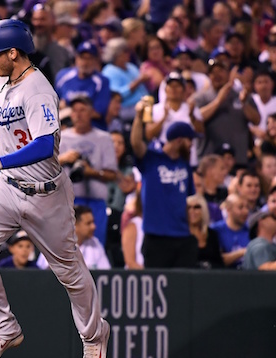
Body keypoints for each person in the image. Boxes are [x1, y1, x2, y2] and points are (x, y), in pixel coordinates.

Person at [0, 19, 109, 358]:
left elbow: (45, 144)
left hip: (46, 194)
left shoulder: (37, 89)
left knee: (69, 272)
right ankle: (4, 328)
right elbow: (0, 124)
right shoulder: (4, 80)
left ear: (13, 53)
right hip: (8, 188)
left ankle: (94, 335)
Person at [130, 101, 199, 268]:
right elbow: (136, 143)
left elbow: (188, 199)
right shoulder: (152, 158)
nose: (191, 145)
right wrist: (139, 117)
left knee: (183, 289)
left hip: (182, 235)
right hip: (156, 236)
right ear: (178, 140)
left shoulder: (185, 165)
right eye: (189, 141)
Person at [58, 97, 118, 246]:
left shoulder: (103, 138)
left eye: (83, 110)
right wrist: (63, 159)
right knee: (65, 248)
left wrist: (91, 172)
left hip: (95, 203)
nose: (78, 115)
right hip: (69, 202)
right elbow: (46, 169)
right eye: (75, 111)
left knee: (95, 246)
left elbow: (112, 174)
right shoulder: (62, 138)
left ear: (91, 113)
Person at [55, 41, 111, 131]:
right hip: (65, 126)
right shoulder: (63, 76)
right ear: (76, 58)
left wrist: (69, 110)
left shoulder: (102, 81)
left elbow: (98, 112)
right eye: (82, 58)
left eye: (89, 58)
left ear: (96, 60)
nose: (85, 62)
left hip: (93, 128)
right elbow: (55, 104)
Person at [211, 193, 250, 269]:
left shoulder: (250, 230)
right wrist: (242, 252)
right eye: (240, 207)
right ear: (228, 209)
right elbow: (217, 260)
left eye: (247, 207)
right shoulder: (215, 230)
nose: (245, 211)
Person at [187, 194, 224, 269]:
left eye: (196, 207)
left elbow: (219, 261)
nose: (192, 211)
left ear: (203, 210)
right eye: (188, 208)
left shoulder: (212, 234)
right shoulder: (181, 235)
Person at [74, 205, 111, 270]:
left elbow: (105, 272)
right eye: (88, 223)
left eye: (93, 222)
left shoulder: (95, 243)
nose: (93, 227)